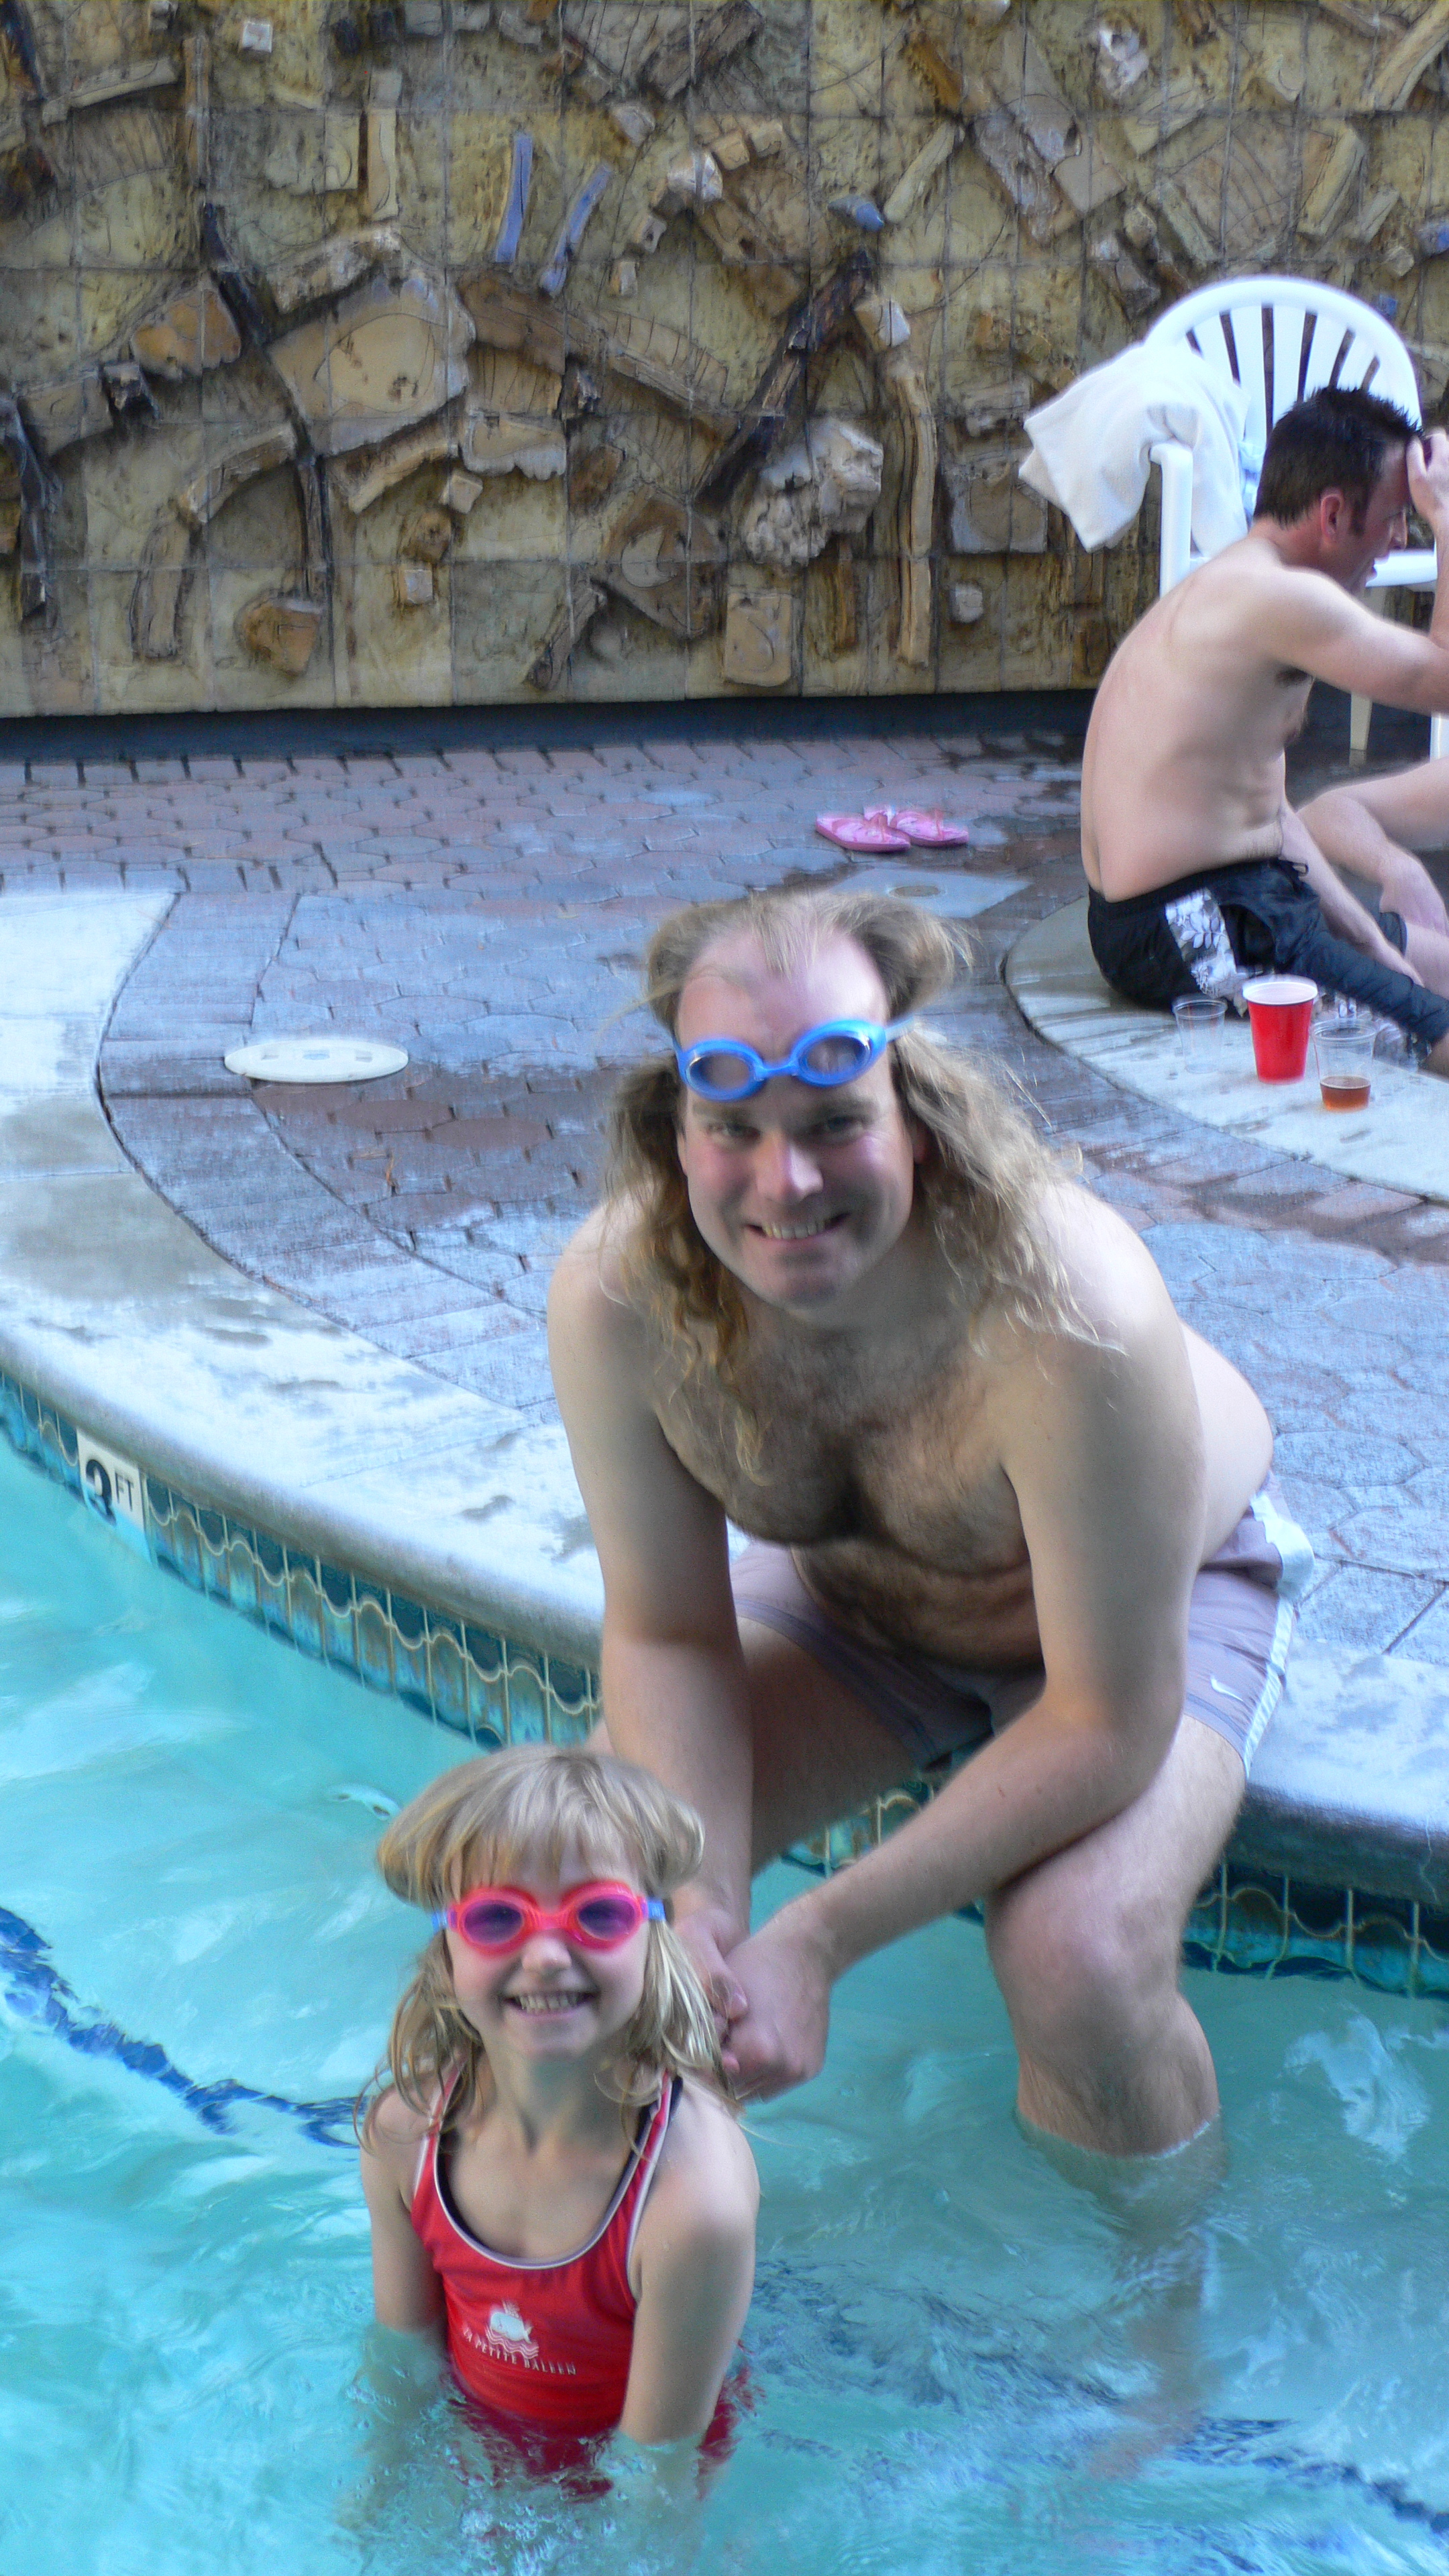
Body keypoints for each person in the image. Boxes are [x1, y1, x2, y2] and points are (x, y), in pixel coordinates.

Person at [548, 885, 1312, 2159]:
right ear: (674, 1131)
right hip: (865, 1598)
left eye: (835, 1123)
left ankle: (1157, 2285)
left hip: (1143, 1619)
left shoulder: (1065, 1303)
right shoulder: (623, 1299)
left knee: (1077, 1963)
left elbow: (1108, 1718)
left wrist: (816, 1940)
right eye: (734, 1129)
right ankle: (617, 2256)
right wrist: (706, 1908)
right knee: (588, 1887)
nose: (786, 1182)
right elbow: (669, 1632)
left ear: (912, 1112)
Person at [359, 1744, 757, 2457]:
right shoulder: (405, 2136)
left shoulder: (693, 2202)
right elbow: (403, 2374)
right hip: (482, 2453)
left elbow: (655, 2480)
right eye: (495, 1919)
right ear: (446, 1953)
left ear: (654, 1938)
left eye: (598, 1914)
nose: (545, 1956)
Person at [1079, 384, 1449, 1069]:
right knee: (1438, 1032)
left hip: (1233, 901)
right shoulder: (1277, 598)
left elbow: (1270, 811)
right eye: (1399, 516)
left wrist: (1367, 938)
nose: (1402, 538)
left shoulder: (1249, 584)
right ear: (1333, 514)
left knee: (1436, 962)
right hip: (1185, 924)